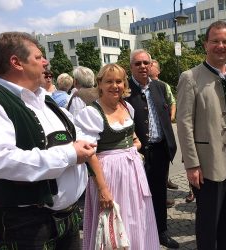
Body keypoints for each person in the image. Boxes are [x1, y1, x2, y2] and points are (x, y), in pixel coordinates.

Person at [0, 31, 96, 249]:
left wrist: (84, 142)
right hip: (27, 224)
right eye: (38, 57)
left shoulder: (44, 98)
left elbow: (75, 131)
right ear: (16, 62)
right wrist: (70, 154)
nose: (45, 61)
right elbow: (0, 160)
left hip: (68, 217)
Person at [177, 21, 226, 250]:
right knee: (209, 221)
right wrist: (191, 164)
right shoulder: (190, 77)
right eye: (215, 41)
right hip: (208, 163)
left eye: (225, 42)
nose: (221, 46)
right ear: (205, 45)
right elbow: (184, 123)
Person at [76, 63, 160, 250]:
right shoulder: (91, 112)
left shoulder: (127, 106)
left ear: (125, 84)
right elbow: (90, 154)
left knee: (136, 217)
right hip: (109, 175)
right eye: (109, 81)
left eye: (119, 81)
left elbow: (133, 137)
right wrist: (103, 189)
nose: (115, 86)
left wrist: (134, 148)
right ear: (100, 84)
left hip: (132, 173)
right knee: (112, 222)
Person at [126, 49, 179, 249]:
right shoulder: (125, 89)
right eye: (138, 63)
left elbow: (166, 115)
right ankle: (139, 236)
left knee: (159, 194)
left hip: (159, 151)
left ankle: (161, 232)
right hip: (137, 154)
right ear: (131, 66)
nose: (142, 67)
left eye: (145, 63)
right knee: (137, 196)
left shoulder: (160, 87)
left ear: (151, 65)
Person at [149, 59, 178, 207]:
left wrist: (171, 117)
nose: (149, 67)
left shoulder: (163, 86)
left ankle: (164, 188)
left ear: (158, 71)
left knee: (162, 168)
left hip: (162, 132)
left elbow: (172, 102)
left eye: (152, 65)